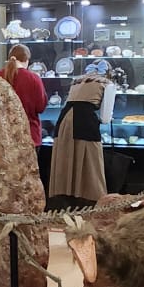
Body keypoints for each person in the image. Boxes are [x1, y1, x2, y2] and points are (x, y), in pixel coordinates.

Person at [49, 73, 116, 204]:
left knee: (65, 159)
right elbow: (105, 118)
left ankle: (67, 195)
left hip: (63, 122)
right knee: (91, 160)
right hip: (85, 123)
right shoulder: (108, 85)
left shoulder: (76, 83)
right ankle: (93, 198)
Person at [0, 43, 47, 147]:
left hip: (4, 136)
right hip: (30, 135)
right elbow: (40, 107)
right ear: (27, 60)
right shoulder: (34, 78)